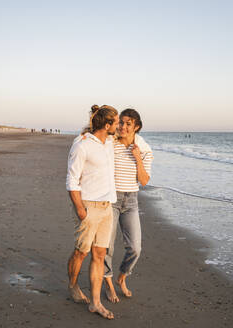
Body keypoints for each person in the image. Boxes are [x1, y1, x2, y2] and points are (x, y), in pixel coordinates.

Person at [66, 105, 119, 319]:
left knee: (100, 254)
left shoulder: (109, 142)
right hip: (89, 206)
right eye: (116, 122)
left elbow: (129, 139)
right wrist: (81, 209)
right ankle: (73, 285)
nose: (118, 126)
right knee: (82, 252)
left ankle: (95, 303)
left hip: (107, 207)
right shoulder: (82, 145)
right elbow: (71, 179)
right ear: (107, 125)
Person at [103, 108, 153, 303]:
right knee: (107, 247)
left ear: (136, 127)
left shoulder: (145, 149)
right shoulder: (110, 143)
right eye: (121, 122)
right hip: (111, 199)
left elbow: (144, 180)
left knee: (135, 248)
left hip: (131, 200)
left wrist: (138, 158)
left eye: (128, 124)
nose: (123, 127)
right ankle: (108, 284)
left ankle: (122, 276)